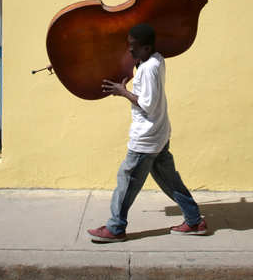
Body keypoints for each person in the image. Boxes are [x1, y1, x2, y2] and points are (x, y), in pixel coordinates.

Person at [87, 23, 208, 243]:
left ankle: (115, 228)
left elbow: (148, 105)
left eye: (133, 46)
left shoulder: (148, 68)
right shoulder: (157, 59)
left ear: (146, 47)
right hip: (159, 134)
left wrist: (123, 92)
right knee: (170, 181)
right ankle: (194, 220)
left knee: (126, 180)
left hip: (146, 138)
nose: (129, 50)